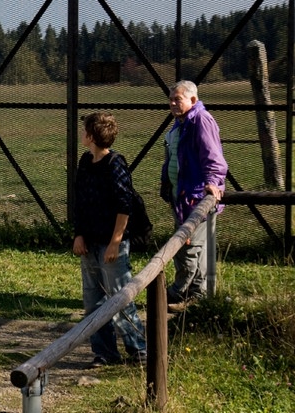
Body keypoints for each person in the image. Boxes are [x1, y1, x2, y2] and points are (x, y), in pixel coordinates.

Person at [72, 112, 148, 368]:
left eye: (85, 130)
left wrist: (116, 242)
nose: (82, 134)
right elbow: (80, 201)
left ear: (92, 136)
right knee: (93, 301)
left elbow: (123, 205)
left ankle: (138, 349)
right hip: (89, 241)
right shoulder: (85, 162)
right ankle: (104, 352)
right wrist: (78, 234)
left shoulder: (115, 163)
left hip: (110, 243)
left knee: (119, 298)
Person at [161, 80, 228, 313]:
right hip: (181, 194)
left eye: (177, 99)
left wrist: (212, 182)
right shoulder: (180, 123)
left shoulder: (201, 120)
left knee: (188, 246)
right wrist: (166, 182)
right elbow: (172, 155)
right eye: (170, 99)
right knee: (192, 246)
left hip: (196, 196)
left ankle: (185, 292)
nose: (172, 103)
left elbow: (213, 156)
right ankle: (194, 294)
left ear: (192, 99)